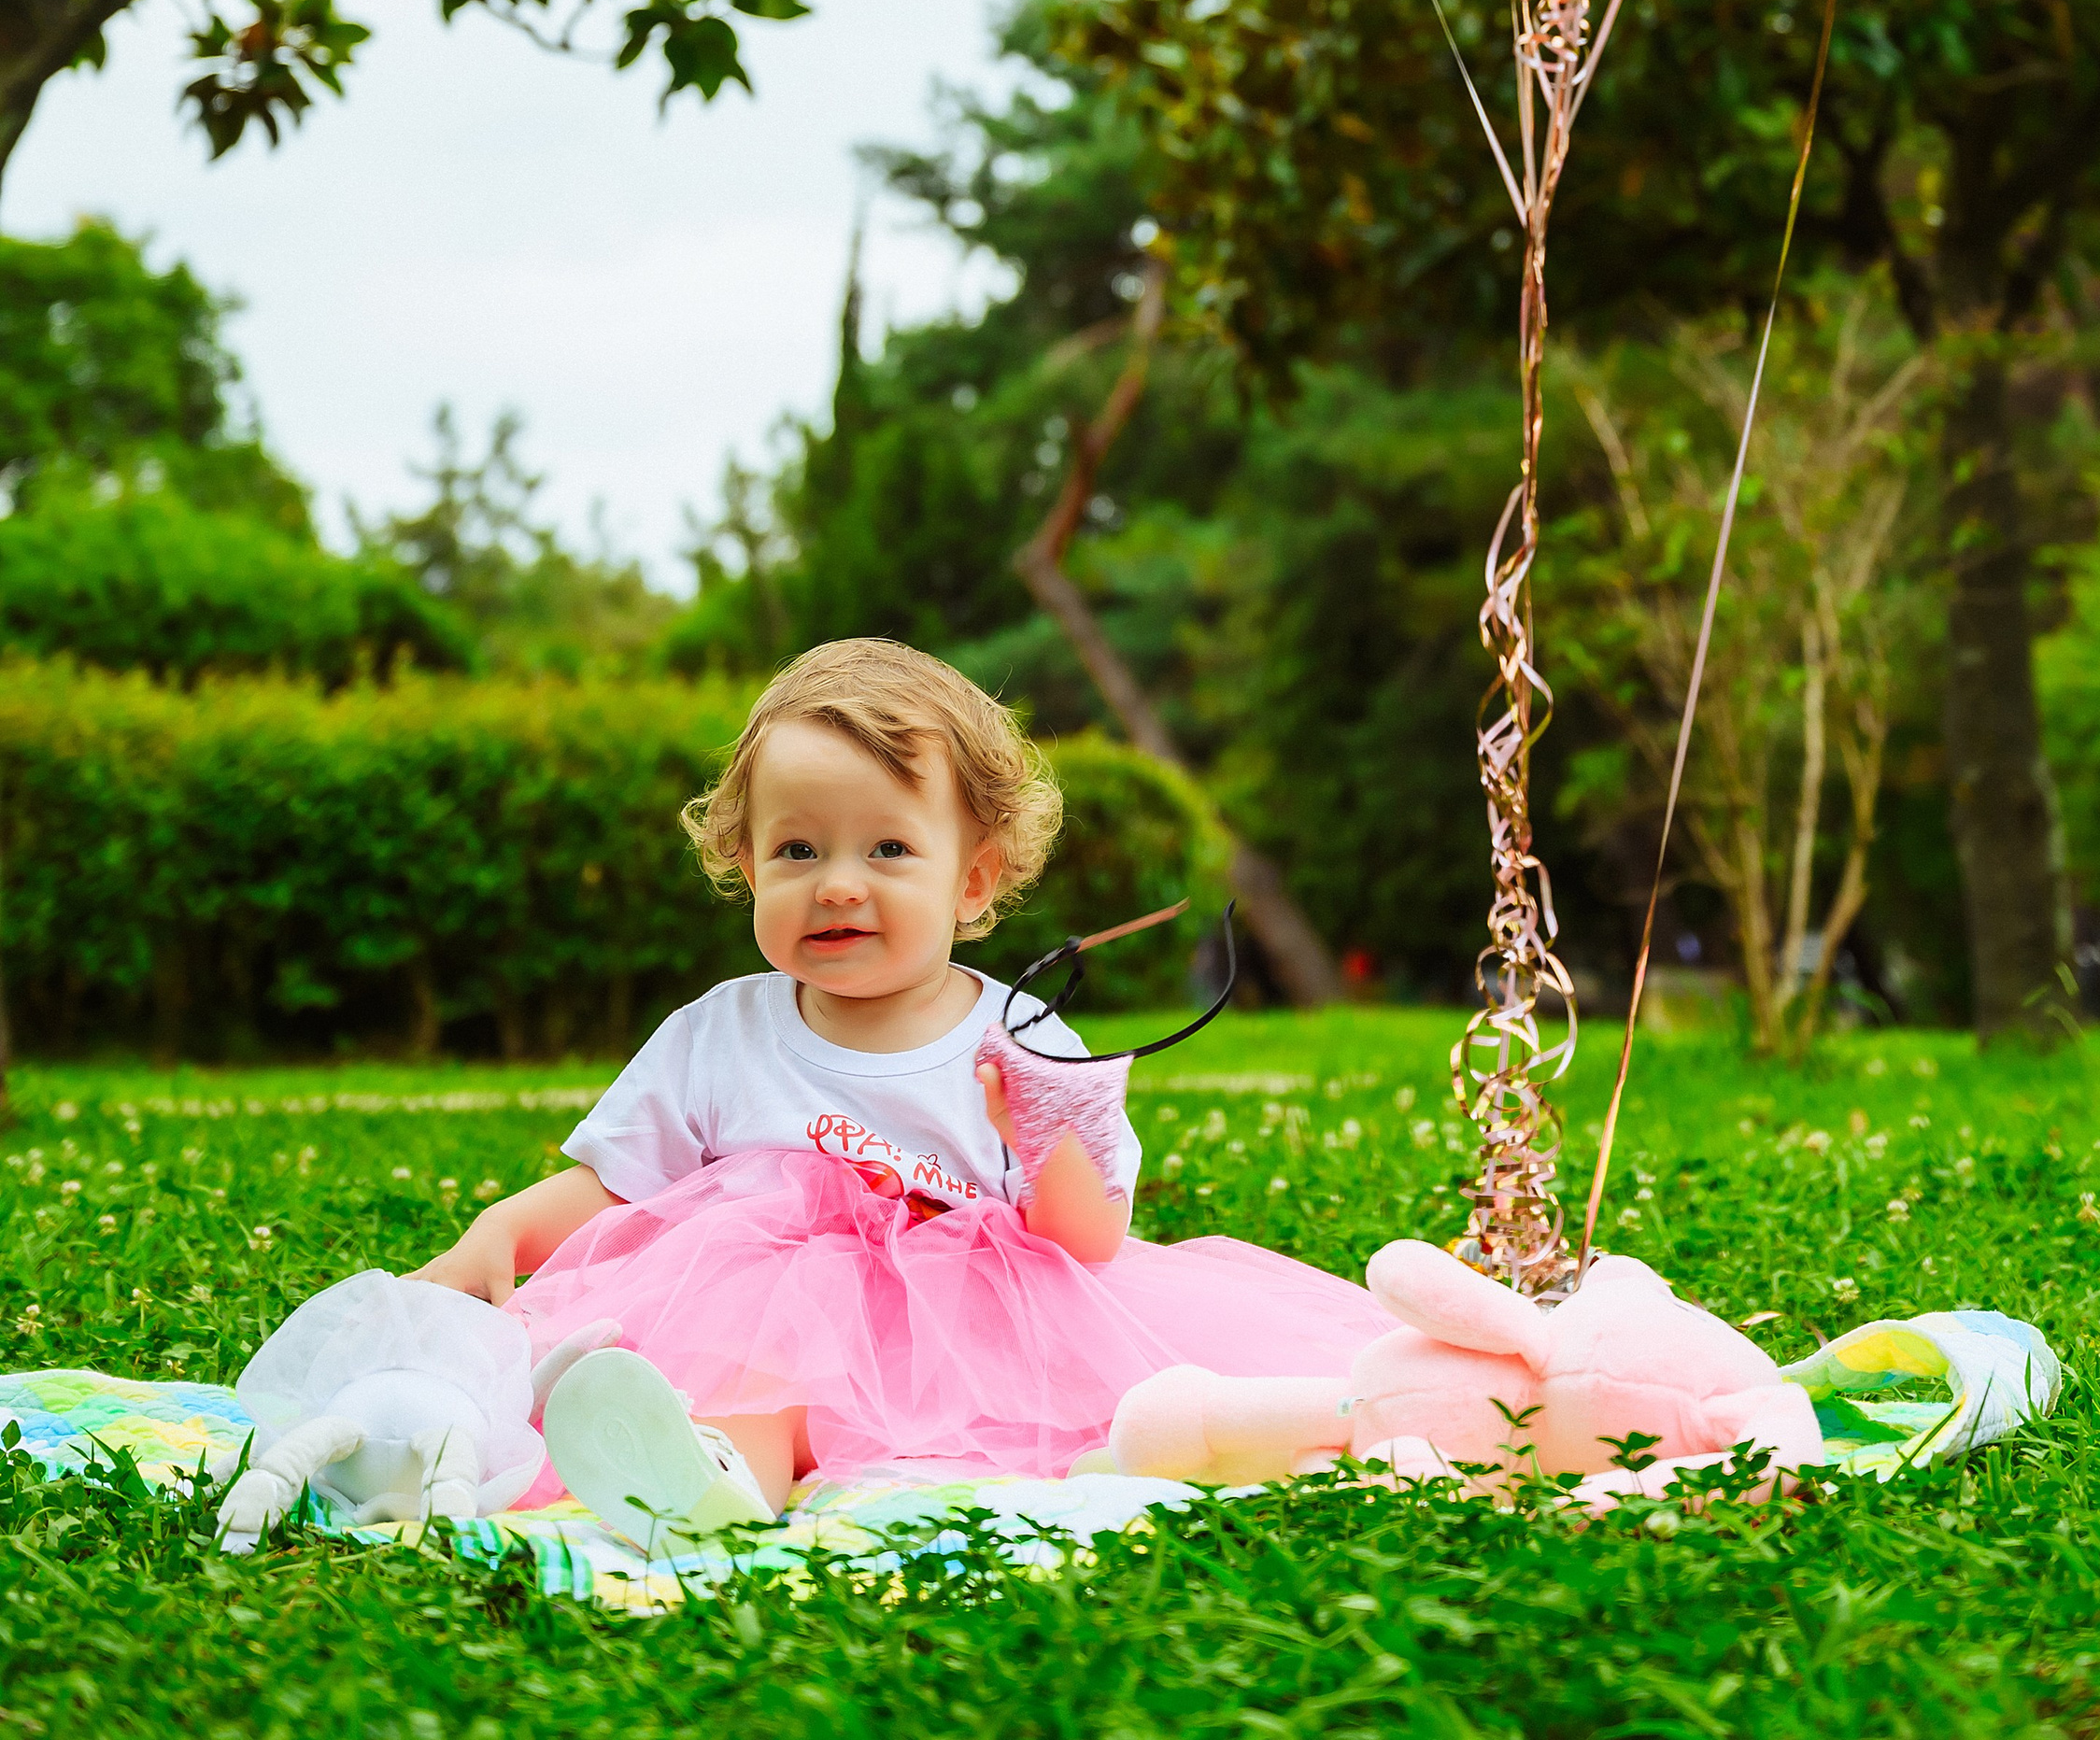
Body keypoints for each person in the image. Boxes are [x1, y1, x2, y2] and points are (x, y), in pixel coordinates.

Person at [418, 638, 1379, 1541]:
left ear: (973, 879)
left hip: (971, 1329)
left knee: (1075, 1411)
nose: (837, 883)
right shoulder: (719, 1032)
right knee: (751, 1364)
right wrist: (500, 1229)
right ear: (746, 862)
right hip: (763, 1311)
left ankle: (774, 1471)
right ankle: (709, 1479)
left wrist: (1043, 1140)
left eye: (887, 849)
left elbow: (1089, 1240)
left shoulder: (1025, 1038)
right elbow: (621, 1180)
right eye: (797, 850)